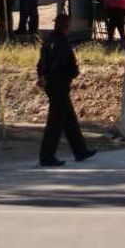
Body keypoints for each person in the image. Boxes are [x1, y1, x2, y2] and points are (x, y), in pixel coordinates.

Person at [36, 14, 95, 167]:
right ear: (67, 26)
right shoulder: (61, 43)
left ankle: (80, 150)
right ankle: (47, 156)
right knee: (55, 122)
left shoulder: (48, 41)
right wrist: (70, 73)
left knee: (69, 119)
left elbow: (41, 64)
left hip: (53, 84)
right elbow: (59, 64)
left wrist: (43, 76)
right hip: (58, 85)